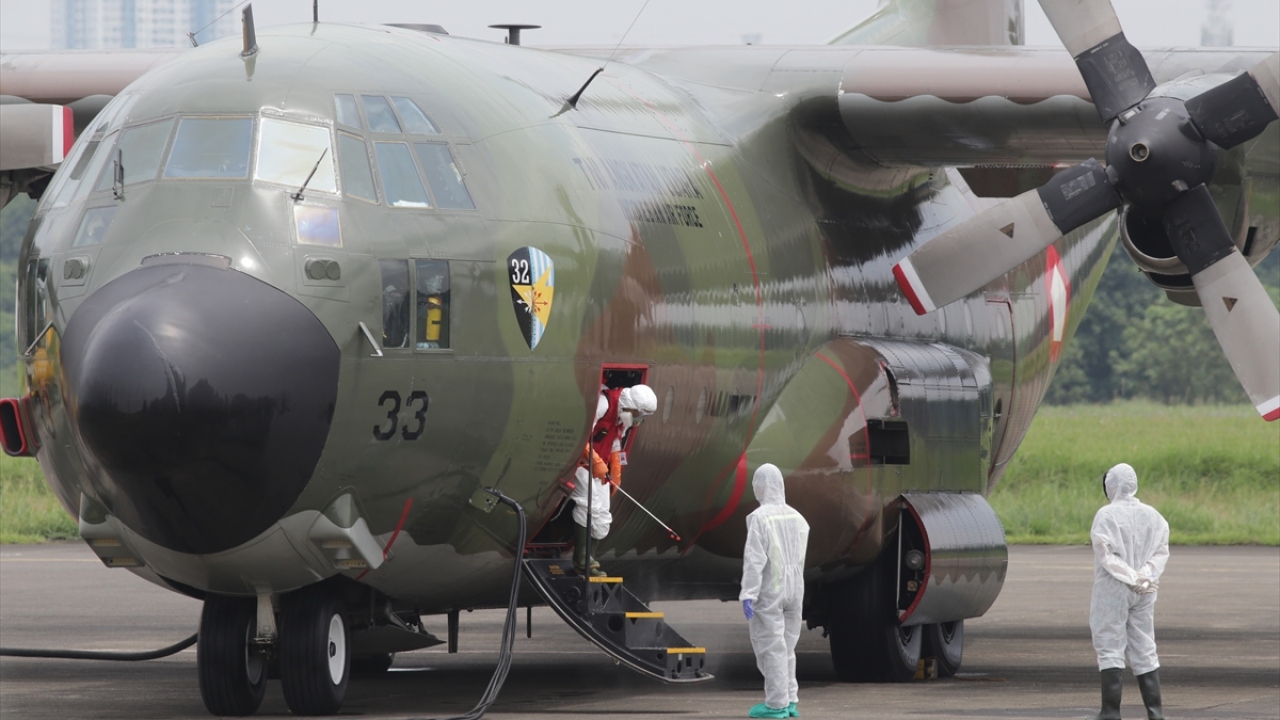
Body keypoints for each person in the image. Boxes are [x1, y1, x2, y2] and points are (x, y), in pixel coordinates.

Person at [1089, 463, 1170, 720]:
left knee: (1110, 644)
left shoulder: (1106, 515)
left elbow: (1106, 555)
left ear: (1110, 485)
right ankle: (1155, 713)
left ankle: (1110, 712)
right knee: (1144, 645)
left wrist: (1131, 577)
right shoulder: (1154, 516)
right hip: (1146, 589)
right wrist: (1144, 577)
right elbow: (1161, 551)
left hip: (1114, 588)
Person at [740, 463, 809, 719]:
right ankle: (790, 700)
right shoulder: (797, 517)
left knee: (771, 647)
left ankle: (776, 705)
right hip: (795, 588)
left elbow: (755, 560)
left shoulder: (760, 517)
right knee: (787, 647)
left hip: (771, 589)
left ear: (761, 485)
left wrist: (748, 593)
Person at [571, 396, 612, 577]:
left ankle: (590, 558)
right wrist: (595, 461)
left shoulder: (621, 418)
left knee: (603, 515)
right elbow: (579, 433)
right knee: (589, 503)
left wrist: (615, 470)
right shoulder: (602, 405)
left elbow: (614, 442)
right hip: (578, 462)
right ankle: (581, 559)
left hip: (595, 465)